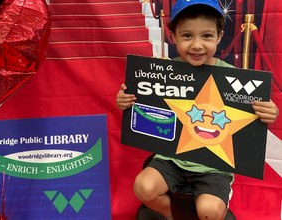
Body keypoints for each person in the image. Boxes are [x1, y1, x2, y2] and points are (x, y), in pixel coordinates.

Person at [116, 0, 280, 219]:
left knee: (210, 211)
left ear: (220, 37)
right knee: (144, 186)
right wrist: (126, 101)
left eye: (207, 36)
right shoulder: (161, 74)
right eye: (187, 36)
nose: (196, 45)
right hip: (171, 159)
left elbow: (259, 109)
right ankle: (174, 216)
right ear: (172, 37)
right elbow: (141, 107)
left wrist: (270, 112)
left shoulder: (235, 78)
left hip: (214, 167)